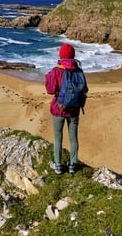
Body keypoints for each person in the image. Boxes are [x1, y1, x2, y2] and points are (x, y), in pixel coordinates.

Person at [44, 43, 88, 174]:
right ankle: (72, 164)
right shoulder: (79, 71)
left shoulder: (56, 70)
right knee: (73, 138)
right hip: (74, 109)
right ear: (73, 55)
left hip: (58, 109)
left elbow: (50, 90)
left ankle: (58, 165)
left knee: (58, 137)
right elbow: (84, 89)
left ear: (61, 55)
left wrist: (48, 78)